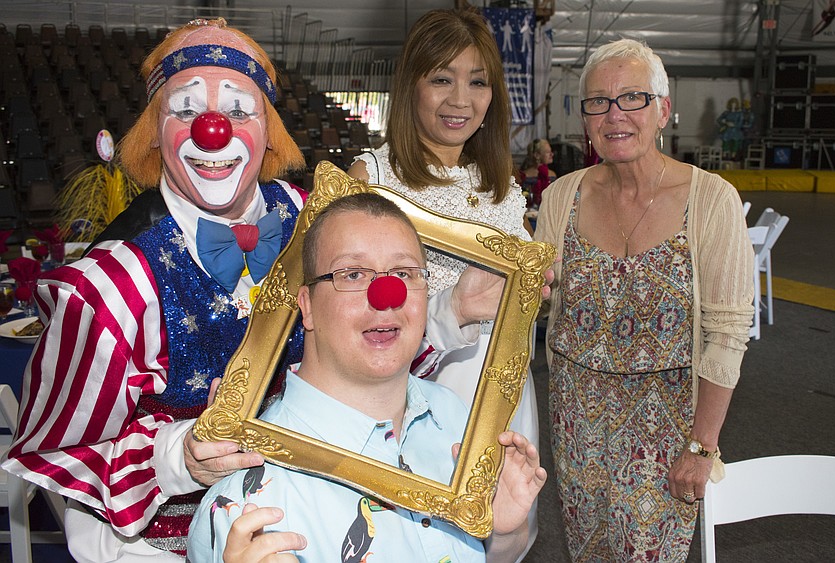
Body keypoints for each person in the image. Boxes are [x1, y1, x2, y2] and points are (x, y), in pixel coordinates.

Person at [1, 18, 494, 562]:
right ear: (153, 129)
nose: (213, 131)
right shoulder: (109, 288)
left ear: (269, 129)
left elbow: (366, 344)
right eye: (186, 110)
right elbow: (58, 457)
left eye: (239, 110)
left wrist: (453, 311)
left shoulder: (308, 217)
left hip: (332, 516)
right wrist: (178, 457)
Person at [187, 192, 546, 563]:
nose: (385, 295)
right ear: (306, 307)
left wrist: (505, 534)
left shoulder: (457, 420)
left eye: (405, 274)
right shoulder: (243, 508)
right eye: (353, 274)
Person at [533, 38, 754, 561]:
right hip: (576, 429)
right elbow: (535, 307)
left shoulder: (710, 200)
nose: (614, 115)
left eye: (632, 98)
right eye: (598, 102)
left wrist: (701, 449)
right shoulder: (559, 198)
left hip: (667, 439)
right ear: (584, 118)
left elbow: (727, 337)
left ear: (663, 110)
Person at [348, 3, 540, 518]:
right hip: (412, 396)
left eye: (478, 83)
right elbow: (347, 315)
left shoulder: (503, 190)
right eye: (442, 79)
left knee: (503, 529)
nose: (461, 100)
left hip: (501, 394)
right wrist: (453, 308)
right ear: (411, 84)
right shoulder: (373, 180)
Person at [519, 138, 557, 207]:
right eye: (548, 152)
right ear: (537, 155)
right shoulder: (525, 175)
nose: (552, 154)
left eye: (551, 151)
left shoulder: (552, 174)